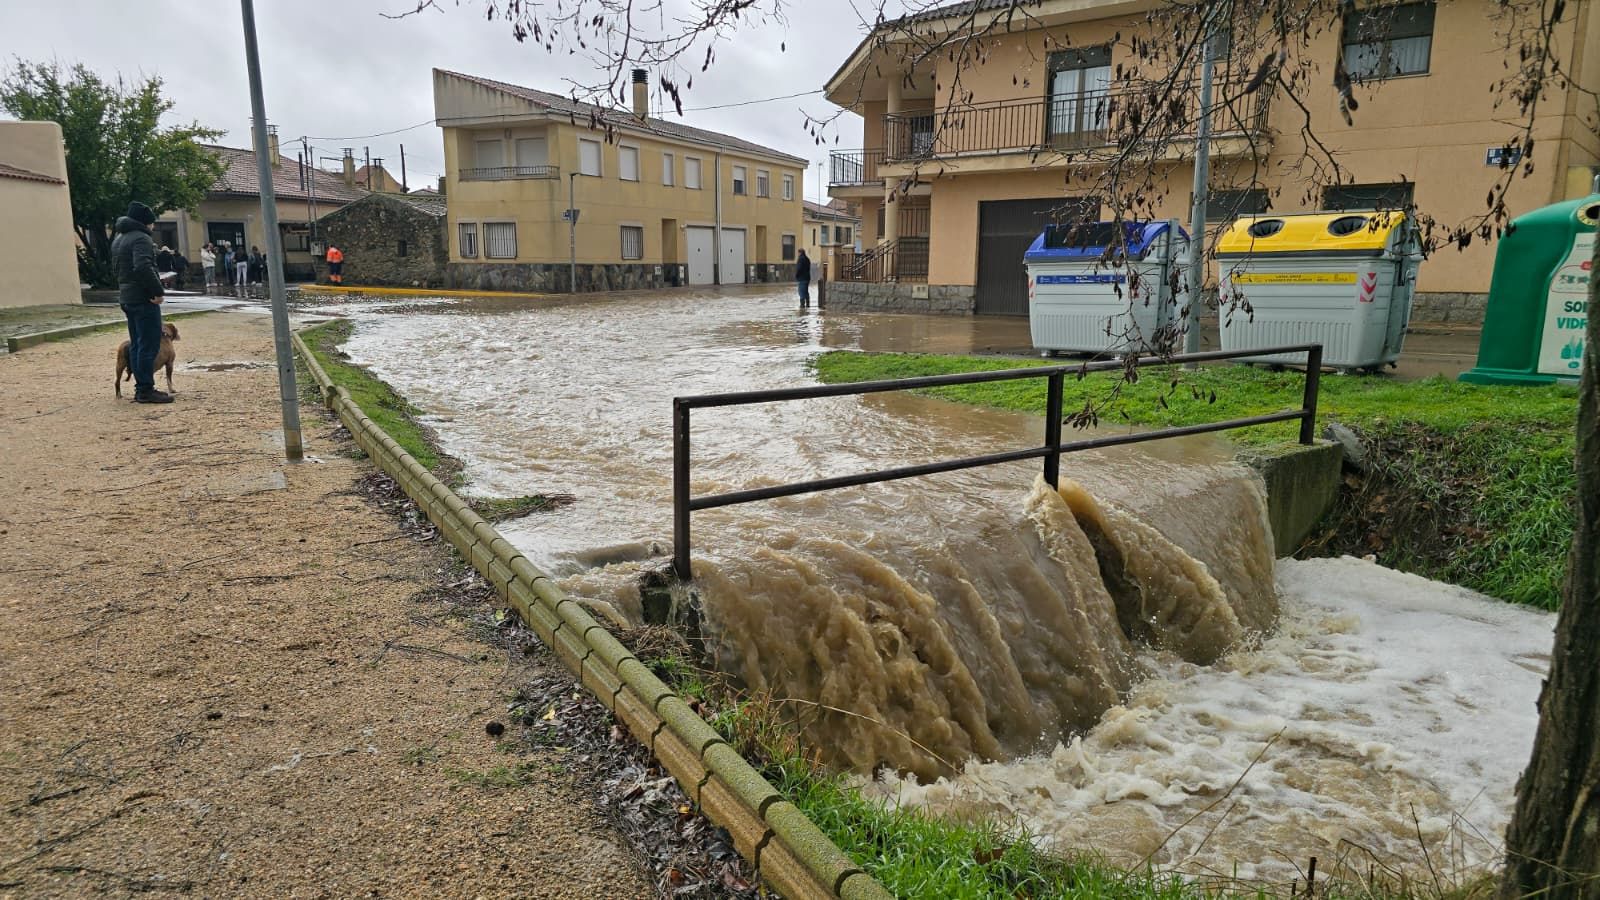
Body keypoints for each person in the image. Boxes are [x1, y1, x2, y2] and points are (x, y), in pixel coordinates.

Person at [111, 201, 172, 403]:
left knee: (137, 343)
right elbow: (143, 266)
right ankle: (145, 389)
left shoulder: (119, 239)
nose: (153, 227)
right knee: (148, 344)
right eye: (152, 223)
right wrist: (157, 291)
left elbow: (117, 269)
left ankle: (141, 387)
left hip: (127, 297)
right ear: (146, 222)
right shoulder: (141, 239)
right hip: (143, 298)